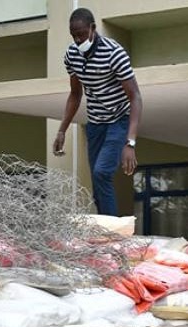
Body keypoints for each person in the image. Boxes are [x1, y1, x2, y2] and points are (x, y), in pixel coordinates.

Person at [53, 7, 142, 216]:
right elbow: (75, 94)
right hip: (95, 124)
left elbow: (136, 97)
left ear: (93, 28)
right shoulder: (72, 55)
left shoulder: (114, 53)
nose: (77, 40)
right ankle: (103, 228)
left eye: (81, 34)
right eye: (73, 35)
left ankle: (112, 234)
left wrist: (130, 142)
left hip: (119, 120)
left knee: (102, 173)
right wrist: (61, 130)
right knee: (96, 184)